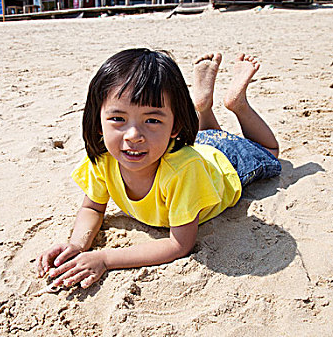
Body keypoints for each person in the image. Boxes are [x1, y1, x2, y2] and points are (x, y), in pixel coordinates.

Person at [35, 48, 281, 289]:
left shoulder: (183, 171)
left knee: (269, 152)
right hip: (193, 145)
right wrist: (77, 244)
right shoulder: (103, 158)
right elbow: (91, 208)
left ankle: (237, 104)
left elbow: (179, 245)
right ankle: (203, 108)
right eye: (118, 119)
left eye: (152, 120)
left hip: (228, 163)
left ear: (175, 125)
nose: (133, 136)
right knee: (210, 135)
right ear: (98, 121)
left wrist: (105, 259)